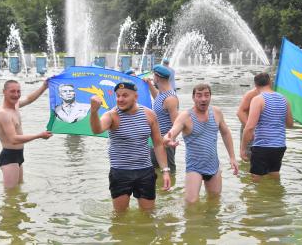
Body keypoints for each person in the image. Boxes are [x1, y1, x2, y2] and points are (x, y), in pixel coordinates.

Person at [90, 81, 171, 212]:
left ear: (135, 97)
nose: (120, 99)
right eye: (118, 96)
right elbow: (97, 129)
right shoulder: (112, 115)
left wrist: (165, 171)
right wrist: (94, 111)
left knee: (148, 215)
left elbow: (158, 144)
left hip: (145, 171)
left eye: (125, 95)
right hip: (120, 172)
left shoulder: (149, 115)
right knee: (120, 216)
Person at [164, 83, 238, 204]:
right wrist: (167, 139)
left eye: (206, 95)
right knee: (191, 203)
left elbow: (226, 133)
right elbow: (172, 131)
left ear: (210, 97)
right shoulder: (185, 116)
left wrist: (232, 157)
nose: (203, 99)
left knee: (214, 201)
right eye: (199, 95)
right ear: (193, 98)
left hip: (213, 165)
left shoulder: (216, 112)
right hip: (194, 167)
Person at [0, 80, 52, 189]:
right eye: (12, 91)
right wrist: (39, 135)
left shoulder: (15, 106)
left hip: (19, 155)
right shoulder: (3, 114)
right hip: (9, 157)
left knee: (18, 190)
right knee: (10, 196)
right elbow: (13, 139)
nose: (16, 95)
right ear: (4, 92)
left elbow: (29, 99)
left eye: (18, 91)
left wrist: (44, 86)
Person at [240, 73, 294, 182]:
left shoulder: (258, 99)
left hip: (262, 146)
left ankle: (258, 199)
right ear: (270, 82)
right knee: (274, 174)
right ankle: (276, 196)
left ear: (255, 85)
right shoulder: (284, 99)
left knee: (256, 178)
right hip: (279, 146)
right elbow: (290, 124)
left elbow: (250, 127)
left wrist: (243, 148)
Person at [144, 64, 179, 172]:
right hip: (157, 141)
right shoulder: (162, 94)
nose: (153, 79)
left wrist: (167, 140)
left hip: (166, 142)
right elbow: (157, 98)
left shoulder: (170, 98)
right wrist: (149, 84)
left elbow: (177, 123)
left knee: (168, 171)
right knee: (155, 171)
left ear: (157, 77)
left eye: (153, 77)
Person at [236, 84, 260, 159]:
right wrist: (250, 130)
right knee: (247, 156)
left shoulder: (272, 94)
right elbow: (239, 113)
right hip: (249, 126)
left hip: (261, 128)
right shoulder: (251, 94)